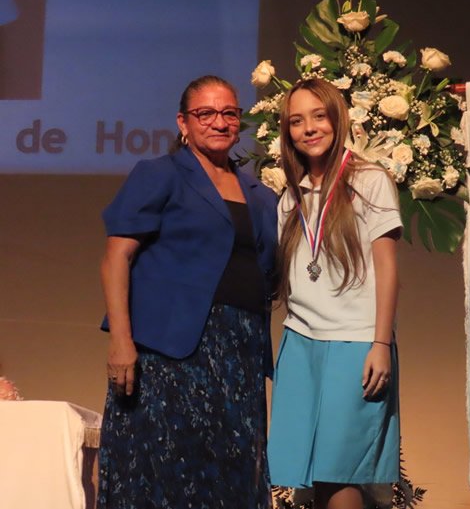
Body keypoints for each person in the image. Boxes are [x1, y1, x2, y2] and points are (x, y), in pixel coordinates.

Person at [97, 75, 277, 509]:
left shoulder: (262, 195)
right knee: (160, 468)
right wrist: (121, 341)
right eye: (205, 113)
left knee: (233, 469)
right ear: (183, 122)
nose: (219, 122)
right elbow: (116, 258)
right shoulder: (160, 174)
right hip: (169, 352)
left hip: (239, 351)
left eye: (229, 113)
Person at [267, 78, 402, 509]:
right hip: (300, 342)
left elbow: (387, 267)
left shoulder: (370, 180)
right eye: (296, 121)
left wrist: (380, 343)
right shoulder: (290, 196)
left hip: (355, 342)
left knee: (339, 471)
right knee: (310, 474)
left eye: (318, 116)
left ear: (337, 118)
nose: (309, 128)